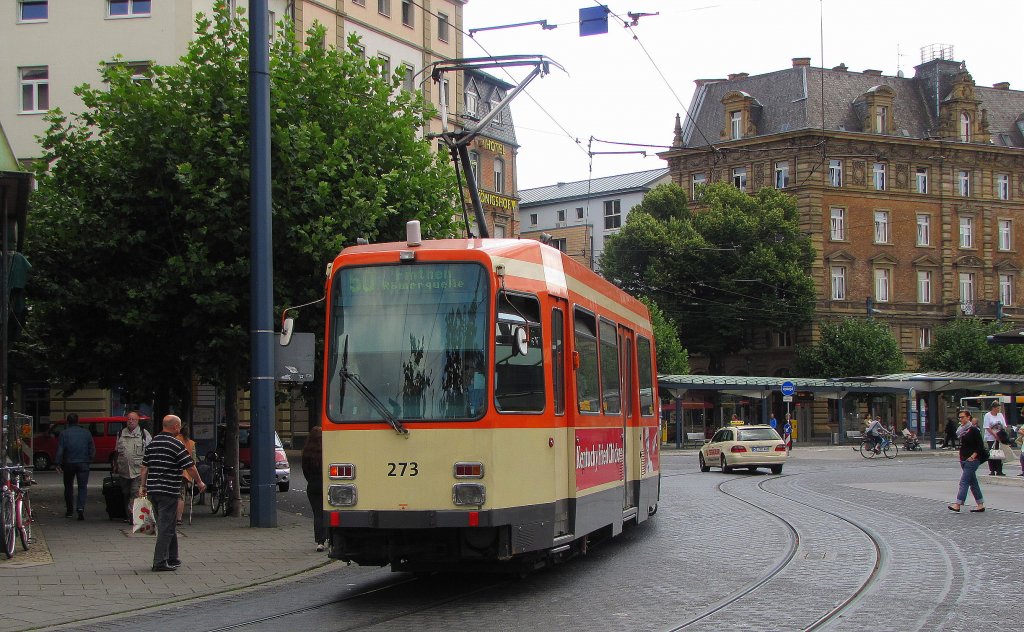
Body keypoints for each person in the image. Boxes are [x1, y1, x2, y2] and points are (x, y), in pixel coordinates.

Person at [140, 415, 206, 572]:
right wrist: (199, 482)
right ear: (175, 427)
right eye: (179, 427)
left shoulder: (152, 443)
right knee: (166, 527)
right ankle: (159, 562)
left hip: (153, 490)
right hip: (168, 490)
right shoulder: (177, 444)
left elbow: (144, 466)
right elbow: (190, 466)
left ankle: (172, 557)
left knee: (167, 524)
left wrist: (142, 486)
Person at [55, 413, 95, 520]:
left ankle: (69, 511)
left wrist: (58, 463)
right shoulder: (86, 433)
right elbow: (92, 448)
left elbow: (60, 449)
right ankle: (80, 508)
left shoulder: (64, 434)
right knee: (82, 487)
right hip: (83, 462)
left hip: (69, 463)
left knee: (68, 486)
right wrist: (90, 459)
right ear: (78, 421)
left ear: (68, 421)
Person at [113, 411, 152, 522]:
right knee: (125, 493)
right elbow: (117, 451)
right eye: (129, 419)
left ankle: (133, 517)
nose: (130, 421)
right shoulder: (121, 433)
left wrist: (149, 466)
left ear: (137, 421)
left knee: (135, 493)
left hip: (138, 470)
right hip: (124, 469)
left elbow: (150, 450)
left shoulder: (144, 434)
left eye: (133, 419)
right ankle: (127, 515)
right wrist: (115, 465)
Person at [948, 409, 986, 513]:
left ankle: (958, 504)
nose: (961, 419)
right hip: (964, 459)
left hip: (972, 460)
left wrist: (973, 456)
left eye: (963, 417)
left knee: (963, 481)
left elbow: (980, 446)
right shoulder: (961, 430)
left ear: (968, 417)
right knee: (973, 482)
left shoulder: (973, 429)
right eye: (959, 417)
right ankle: (980, 504)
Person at [302, 426, 327, 551]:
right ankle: (331, 541)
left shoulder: (307, 452)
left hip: (313, 485)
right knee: (329, 513)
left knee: (318, 514)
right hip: (326, 485)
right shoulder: (327, 451)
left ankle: (320, 542)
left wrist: (311, 480)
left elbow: (305, 470)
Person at [174, 425, 198, 526]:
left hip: (174, 470)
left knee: (172, 494)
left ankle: (171, 516)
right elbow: (193, 461)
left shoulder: (174, 440)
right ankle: (179, 518)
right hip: (185, 473)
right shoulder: (191, 443)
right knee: (181, 495)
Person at [982, 401, 1006, 476]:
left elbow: (1003, 425)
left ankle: (999, 470)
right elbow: (987, 427)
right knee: (992, 454)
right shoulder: (987, 415)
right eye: (997, 408)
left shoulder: (1000, 415)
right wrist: (995, 435)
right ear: (993, 408)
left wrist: (1001, 435)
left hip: (999, 437)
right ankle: (992, 470)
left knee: (999, 454)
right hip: (991, 437)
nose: (998, 410)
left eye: (999, 408)